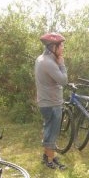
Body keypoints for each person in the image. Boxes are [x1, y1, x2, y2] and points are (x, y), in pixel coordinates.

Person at [35, 32, 68, 170]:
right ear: (53, 47)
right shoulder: (49, 63)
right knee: (52, 132)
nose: (63, 48)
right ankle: (50, 159)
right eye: (61, 46)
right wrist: (62, 65)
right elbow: (63, 81)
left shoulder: (41, 59)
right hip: (52, 103)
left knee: (48, 129)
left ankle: (47, 155)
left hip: (45, 102)